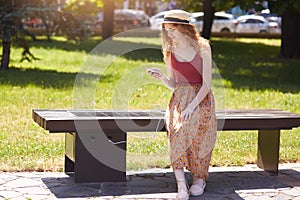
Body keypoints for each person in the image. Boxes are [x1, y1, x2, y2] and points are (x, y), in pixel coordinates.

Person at [147, 9, 217, 200]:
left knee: (198, 126)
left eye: (173, 29)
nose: (169, 33)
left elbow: (207, 84)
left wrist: (192, 106)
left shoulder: (203, 48)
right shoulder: (169, 51)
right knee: (178, 129)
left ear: (185, 28)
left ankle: (199, 178)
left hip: (201, 98)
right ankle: (181, 184)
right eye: (166, 29)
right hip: (179, 99)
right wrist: (161, 77)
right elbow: (174, 83)